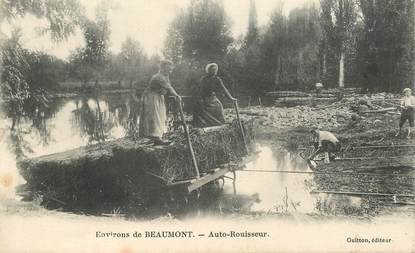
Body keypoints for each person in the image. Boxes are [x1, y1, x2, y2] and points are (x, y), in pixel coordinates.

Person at [139, 60, 181, 145]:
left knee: (160, 116)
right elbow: (169, 88)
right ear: (162, 68)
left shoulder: (165, 77)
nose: (170, 72)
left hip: (158, 97)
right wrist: (176, 95)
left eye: (171, 70)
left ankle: (155, 137)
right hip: (151, 97)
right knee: (155, 117)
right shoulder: (158, 77)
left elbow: (169, 87)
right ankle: (156, 138)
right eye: (168, 70)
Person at [193, 63, 237, 127]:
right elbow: (199, 89)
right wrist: (201, 99)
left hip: (213, 97)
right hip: (204, 97)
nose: (215, 71)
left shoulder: (217, 79)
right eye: (213, 69)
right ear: (209, 70)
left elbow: (224, 89)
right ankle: (208, 122)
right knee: (200, 107)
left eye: (216, 69)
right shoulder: (204, 79)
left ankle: (220, 122)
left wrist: (231, 98)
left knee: (219, 106)